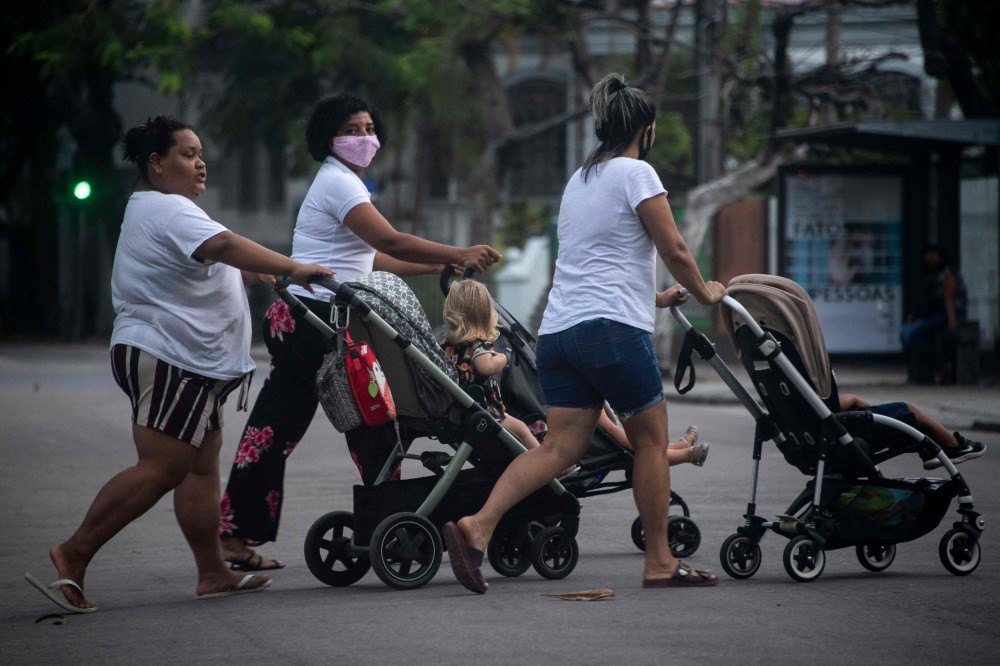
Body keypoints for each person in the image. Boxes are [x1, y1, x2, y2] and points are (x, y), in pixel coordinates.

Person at [25, 116, 333, 614]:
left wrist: (266, 272)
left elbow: (224, 260)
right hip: (170, 355)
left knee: (199, 469)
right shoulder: (166, 209)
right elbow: (225, 246)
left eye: (200, 153)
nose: (200, 162)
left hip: (193, 360)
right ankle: (73, 552)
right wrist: (290, 265)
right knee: (163, 467)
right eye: (187, 154)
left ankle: (212, 572)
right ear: (156, 163)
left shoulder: (172, 212)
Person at [441, 73, 727, 594]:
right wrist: (707, 293)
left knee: (558, 451)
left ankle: (476, 527)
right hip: (611, 332)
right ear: (646, 127)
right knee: (650, 441)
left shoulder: (580, 180)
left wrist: (656, 299)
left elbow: (599, 263)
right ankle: (660, 561)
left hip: (560, 334)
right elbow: (676, 251)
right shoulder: (637, 174)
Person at [219, 93, 501, 571]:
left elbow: (372, 260)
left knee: (283, 428)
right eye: (352, 129)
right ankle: (389, 518)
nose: (365, 138)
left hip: (310, 319)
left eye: (370, 128)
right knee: (370, 421)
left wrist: (437, 265)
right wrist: (455, 253)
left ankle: (239, 536)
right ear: (329, 137)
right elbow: (389, 239)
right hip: (317, 322)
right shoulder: (338, 183)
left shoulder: (344, 183)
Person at [837, 394, 986, 470]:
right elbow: (829, 406)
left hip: (837, 431)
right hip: (850, 429)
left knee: (909, 421)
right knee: (907, 409)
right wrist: (852, 398)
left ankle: (928, 449)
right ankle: (955, 446)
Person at [900, 245, 968, 384]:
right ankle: (934, 362)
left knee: (911, 334)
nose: (930, 260)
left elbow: (949, 300)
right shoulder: (932, 276)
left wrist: (952, 323)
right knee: (905, 332)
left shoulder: (947, 274)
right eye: (928, 257)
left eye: (933, 257)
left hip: (950, 314)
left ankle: (939, 363)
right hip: (935, 314)